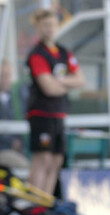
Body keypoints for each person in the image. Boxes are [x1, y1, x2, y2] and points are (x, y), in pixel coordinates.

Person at [26, 8, 85, 195]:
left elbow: (80, 79)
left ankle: (45, 203)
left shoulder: (64, 52)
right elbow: (48, 88)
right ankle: (34, 203)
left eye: (52, 24)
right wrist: (67, 83)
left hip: (59, 114)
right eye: (45, 25)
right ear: (37, 27)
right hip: (41, 114)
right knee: (42, 159)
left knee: (56, 161)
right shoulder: (36, 54)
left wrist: (59, 81)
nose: (49, 29)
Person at [0, 61, 30, 170]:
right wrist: (11, 141)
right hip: (3, 149)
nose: (5, 79)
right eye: (2, 75)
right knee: (26, 166)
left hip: (20, 149)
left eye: (8, 75)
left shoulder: (17, 98)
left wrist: (18, 140)